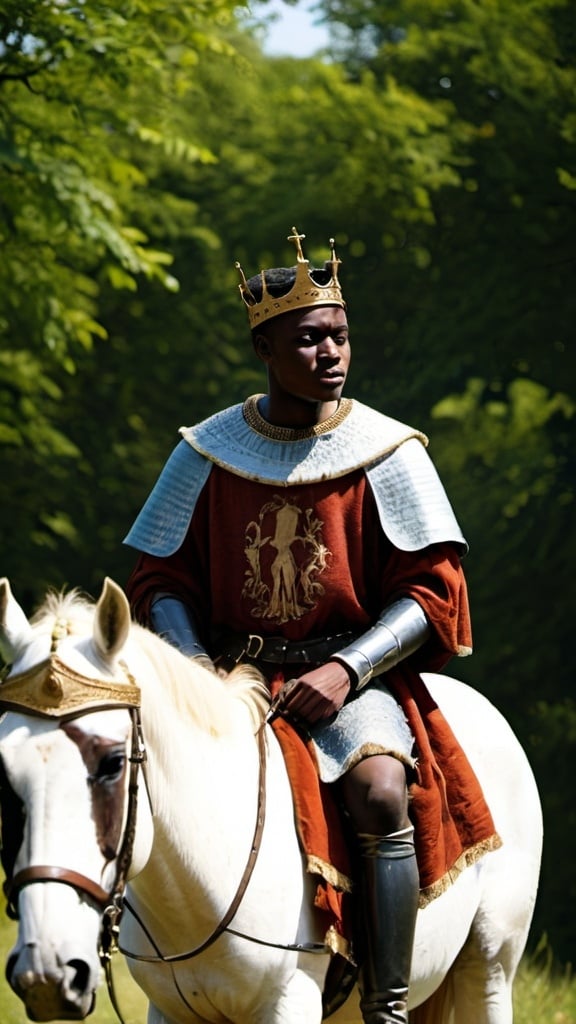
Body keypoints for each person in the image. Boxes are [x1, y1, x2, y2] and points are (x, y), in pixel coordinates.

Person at [124, 228, 499, 1024]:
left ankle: (387, 1004)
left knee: (380, 787)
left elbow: (433, 591)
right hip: (228, 678)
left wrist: (347, 671)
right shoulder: (204, 453)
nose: (331, 352)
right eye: (308, 338)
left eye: (339, 335)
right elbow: (159, 582)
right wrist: (198, 675)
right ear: (266, 346)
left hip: (345, 676)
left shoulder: (388, 452)